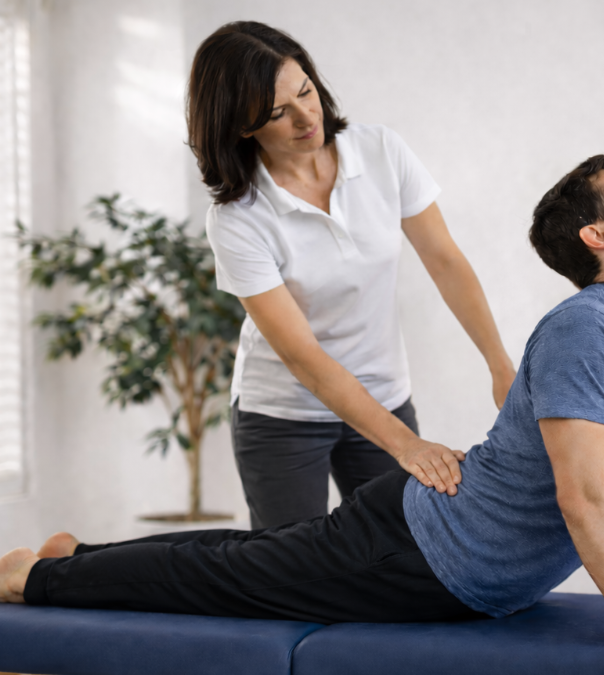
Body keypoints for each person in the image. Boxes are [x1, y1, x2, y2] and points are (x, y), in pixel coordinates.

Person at [0, 155, 604, 657]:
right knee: (230, 581)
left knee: (252, 556)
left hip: (443, 549)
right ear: (599, 237)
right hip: (419, 551)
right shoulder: (584, 329)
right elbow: (588, 494)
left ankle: (74, 553)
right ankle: (37, 577)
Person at [187, 21, 516, 529]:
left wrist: (499, 367)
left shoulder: (381, 151)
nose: (306, 118)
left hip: (384, 394)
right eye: (278, 113)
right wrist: (408, 446)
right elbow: (304, 356)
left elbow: (446, 262)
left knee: (400, 560)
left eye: (306, 92)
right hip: (284, 414)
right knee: (289, 576)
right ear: (241, 125)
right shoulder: (238, 218)